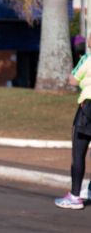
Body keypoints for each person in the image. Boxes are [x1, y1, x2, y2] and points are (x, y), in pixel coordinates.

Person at [54, 34, 91, 209]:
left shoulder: (87, 59)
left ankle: (75, 196)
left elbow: (73, 79)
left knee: (79, 153)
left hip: (87, 108)